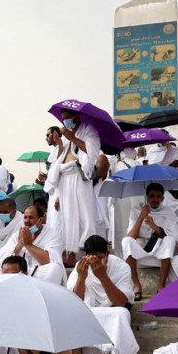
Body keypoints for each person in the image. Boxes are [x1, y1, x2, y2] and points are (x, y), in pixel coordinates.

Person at [67, 235, 137, 354]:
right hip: (88, 308)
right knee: (70, 315)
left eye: (99, 258)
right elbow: (74, 301)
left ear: (107, 254)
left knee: (122, 315)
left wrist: (103, 276)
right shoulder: (81, 266)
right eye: (91, 258)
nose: (95, 263)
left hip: (113, 308)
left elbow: (120, 302)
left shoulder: (121, 267)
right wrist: (82, 277)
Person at [44, 108, 101, 258]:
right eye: (63, 118)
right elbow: (62, 156)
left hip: (79, 176)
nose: (65, 121)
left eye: (68, 117)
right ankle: (70, 255)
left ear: (76, 116)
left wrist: (73, 137)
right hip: (64, 178)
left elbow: (92, 151)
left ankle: (89, 252)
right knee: (67, 217)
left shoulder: (89, 130)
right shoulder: (64, 136)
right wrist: (62, 142)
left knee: (84, 216)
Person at [122, 183, 178, 298]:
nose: (155, 199)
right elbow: (131, 236)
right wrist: (141, 216)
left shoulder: (168, 213)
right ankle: (137, 285)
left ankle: (161, 285)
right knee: (126, 241)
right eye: (152, 196)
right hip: (140, 256)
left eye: (158, 196)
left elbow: (176, 238)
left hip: (160, 257)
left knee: (169, 240)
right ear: (147, 197)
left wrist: (155, 227)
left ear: (163, 198)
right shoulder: (137, 210)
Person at [0, 204, 65, 284]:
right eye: (25, 217)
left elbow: (50, 259)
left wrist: (28, 245)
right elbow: (0, 258)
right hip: (17, 272)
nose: (27, 221)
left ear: (41, 220)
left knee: (55, 269)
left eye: (31, 217)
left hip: (38, 273)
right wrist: (20, 244)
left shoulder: (52, 235)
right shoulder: (18, 234)